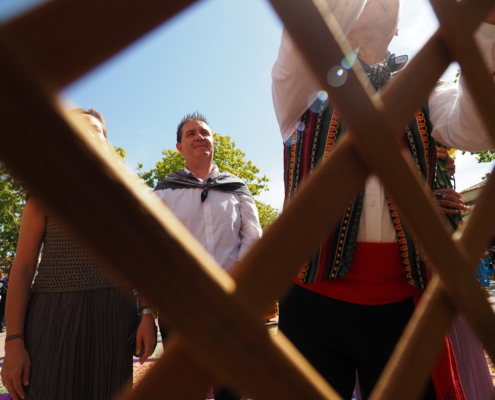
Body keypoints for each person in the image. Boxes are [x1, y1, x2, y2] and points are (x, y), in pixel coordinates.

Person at [272, 1, 495, 399]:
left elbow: (478, 128)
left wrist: (486, 22)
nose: (374, 7)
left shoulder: (427, 85)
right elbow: (305, 24)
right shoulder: (303, 82)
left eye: (386, 4)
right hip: (311, 301)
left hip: (405, 305)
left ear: (398, 29)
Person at [1, 108, 157, 400]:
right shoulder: (42, 195)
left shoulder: (129, 198)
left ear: (106, 143)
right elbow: (21, 269)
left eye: (94, 131)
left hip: (114, 316)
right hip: (51, 315)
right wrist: (13, 344)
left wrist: (148, 314)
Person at [153, 112, 263, 400]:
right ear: (179, 147)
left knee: (232, 390)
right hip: (181, 308)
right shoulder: (164, 193)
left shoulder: (237, 188)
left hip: (231, 305)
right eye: (191, 133)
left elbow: (252, 237)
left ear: (214, 142)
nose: (199, 137)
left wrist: (235, 284)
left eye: (204, 132)